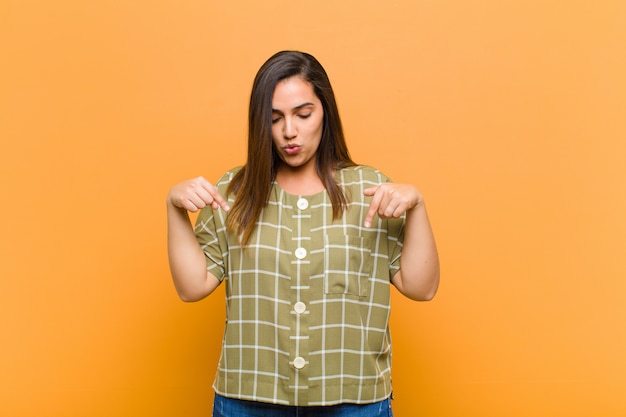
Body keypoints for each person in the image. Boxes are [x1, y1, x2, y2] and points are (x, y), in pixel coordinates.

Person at [166, 50, 439, 417]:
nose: (289, 131)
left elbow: (422, 287)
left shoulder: (370, 190)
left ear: (325, 112)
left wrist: (418, 205)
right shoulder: (235, 191)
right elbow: (192, 287)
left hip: (352, 400)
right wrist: (174, 207)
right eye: (274, 118)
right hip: (248, 400)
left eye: (303, 114)